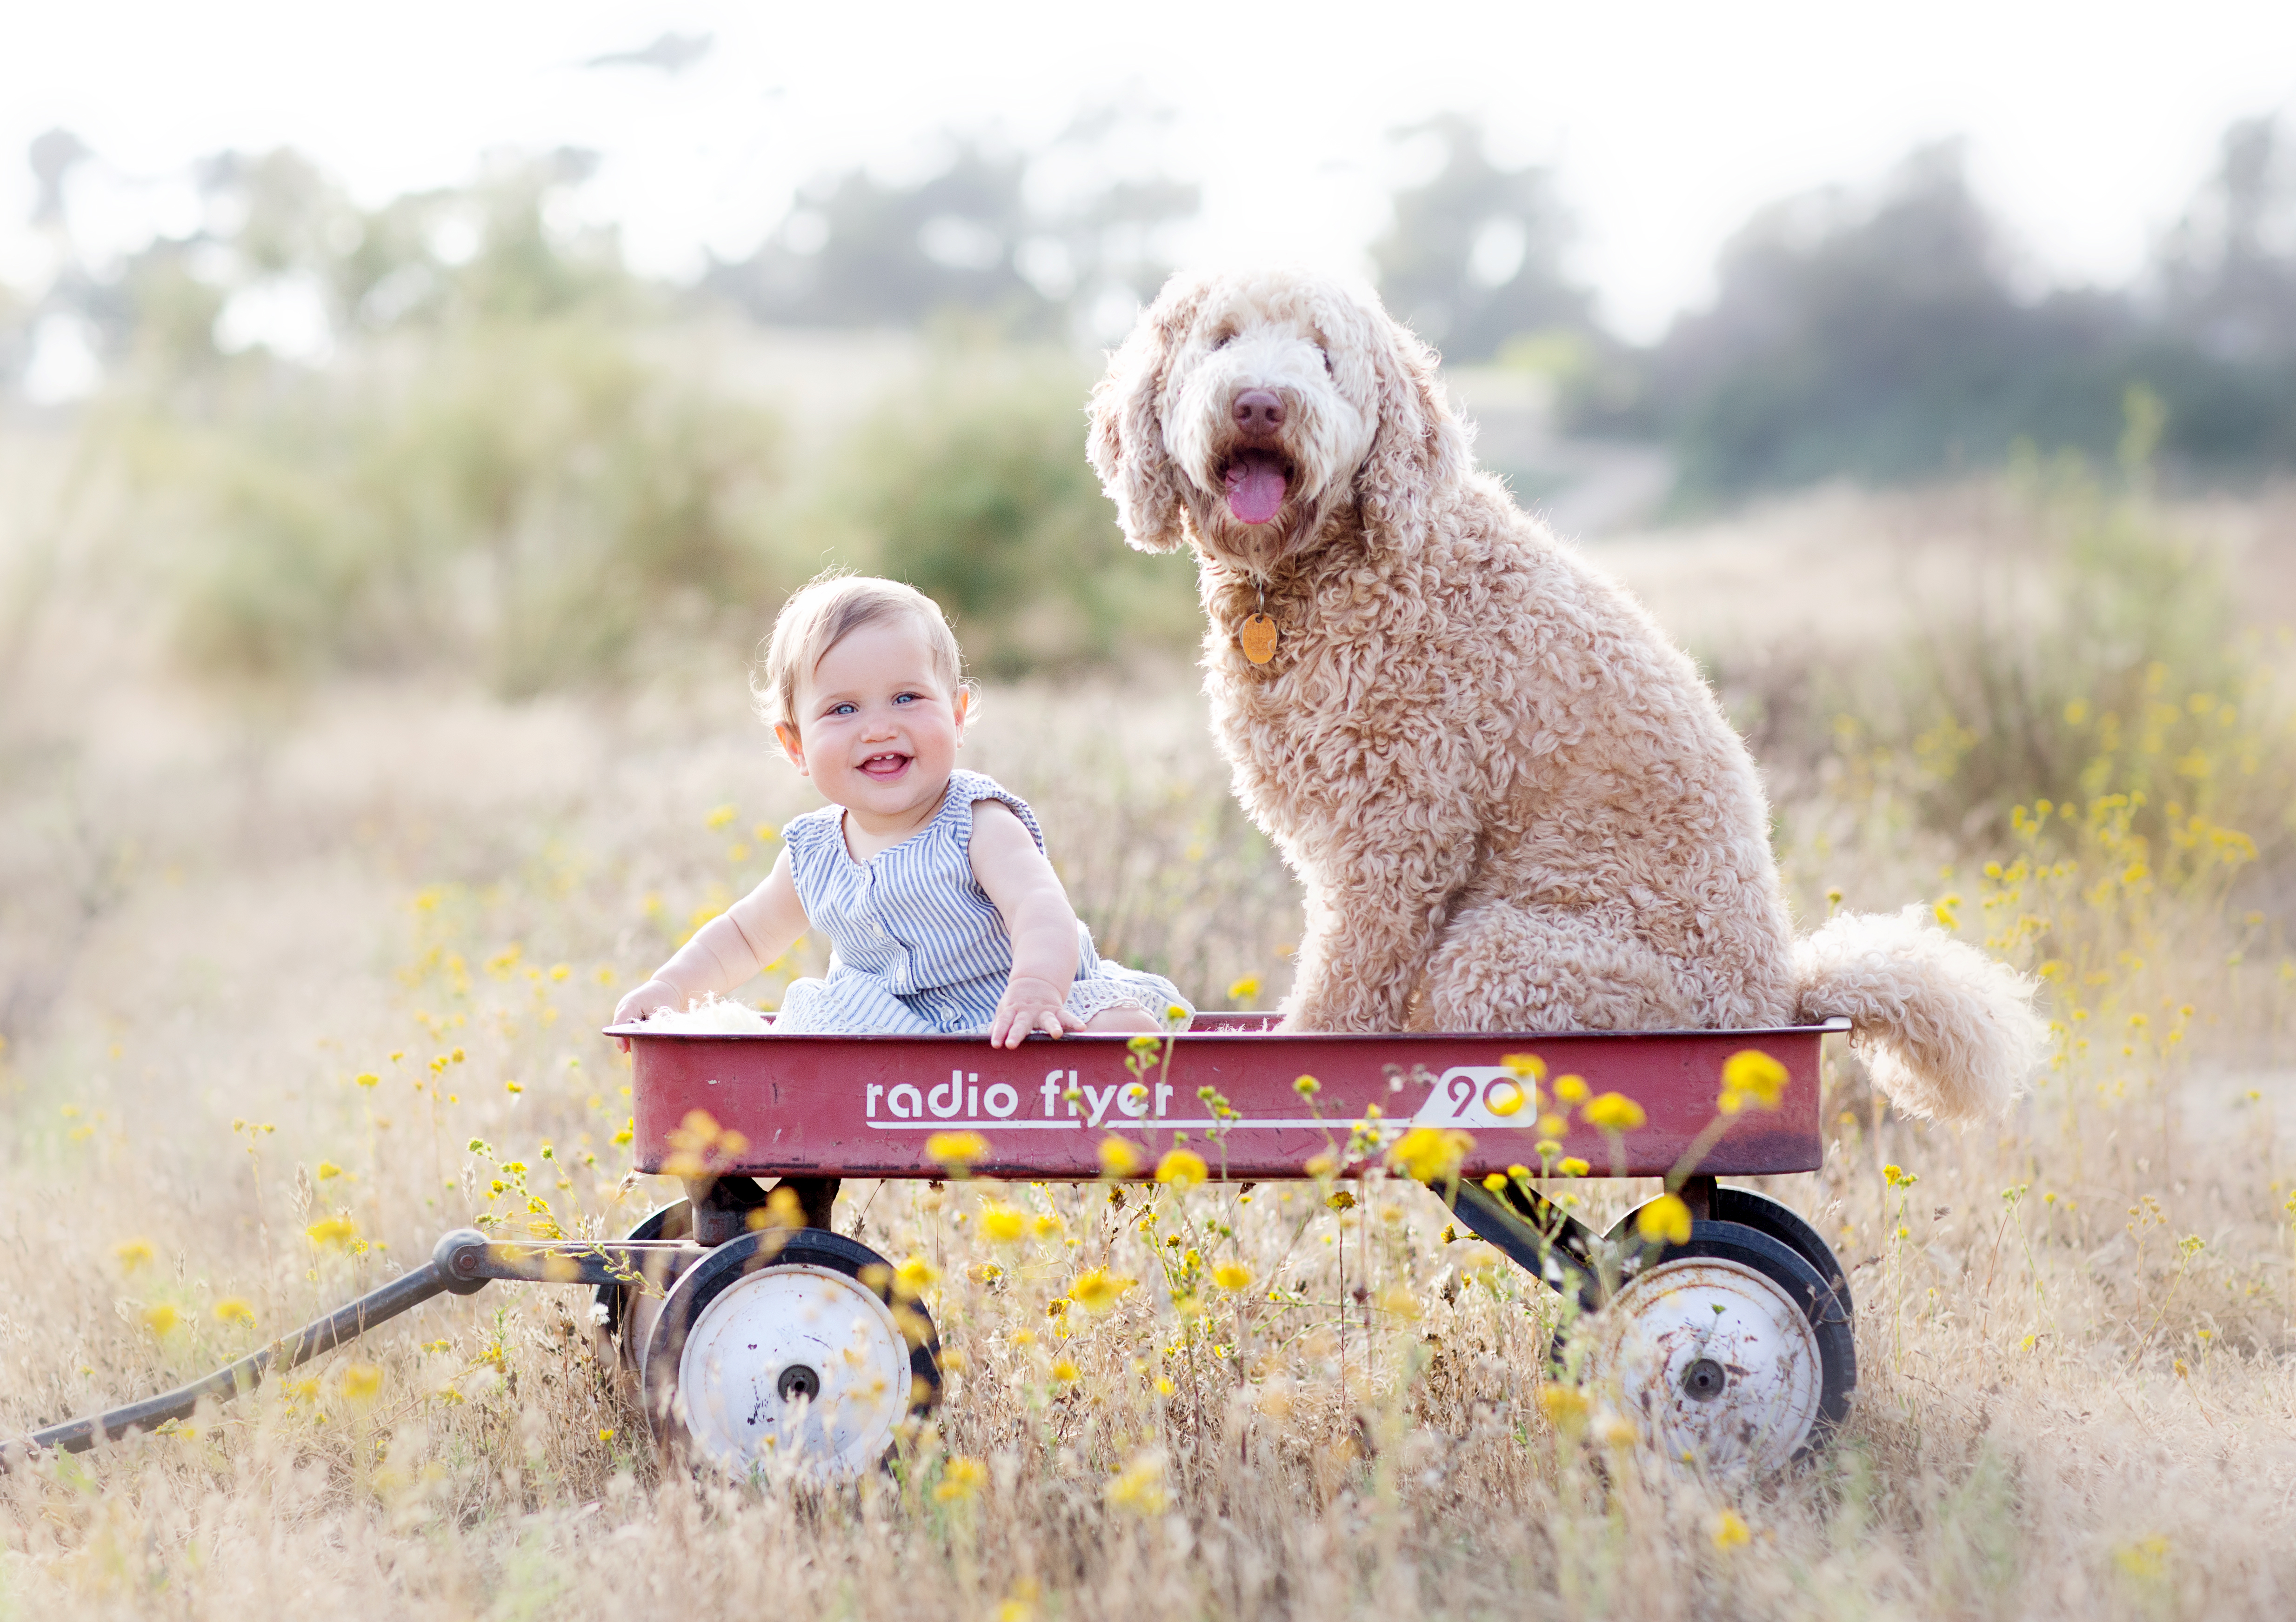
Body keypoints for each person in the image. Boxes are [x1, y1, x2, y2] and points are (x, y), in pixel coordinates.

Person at [614, 575, 1191, 1227]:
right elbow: (744, 937)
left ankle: (1150, 1140)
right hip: (896, 1041)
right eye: (843, 710)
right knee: (804, 1055)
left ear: (958, 713)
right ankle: (788, 1187)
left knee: (1126, 1038)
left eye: (907, 697)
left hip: (1022, 1024)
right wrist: (670, 989)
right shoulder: (813, 851)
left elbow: (1041, 907)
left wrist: (1037, 987)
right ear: (795, 746)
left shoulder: (976, 820)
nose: (879, 728)